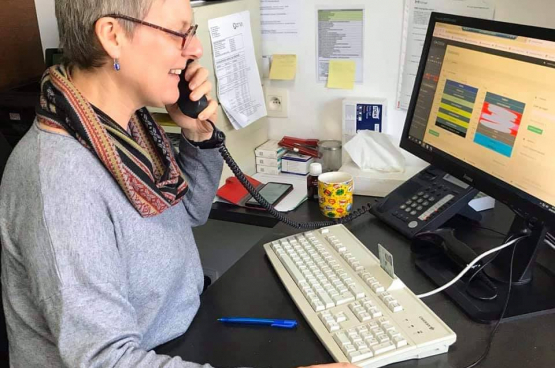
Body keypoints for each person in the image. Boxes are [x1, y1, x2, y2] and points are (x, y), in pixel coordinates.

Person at [0, 0, 358, 367]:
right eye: (179, 32)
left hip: (180, 333)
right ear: (112, 36)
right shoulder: (61, 178)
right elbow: (103, 360)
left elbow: (190, 211)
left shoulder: (127, 127)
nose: (195, 49)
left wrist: (198, 133)